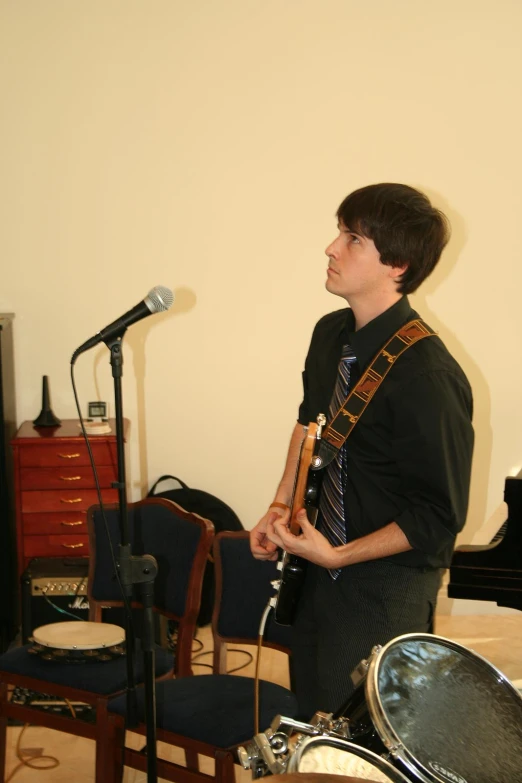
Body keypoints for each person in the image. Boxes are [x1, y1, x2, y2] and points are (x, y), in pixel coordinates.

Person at [250, 183, 474, 720]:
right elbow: (309, 427)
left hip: (384, 586)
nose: (331, 247)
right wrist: (280, 505)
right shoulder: (330, 334)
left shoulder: (429, 375)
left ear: (396, 264)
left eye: (352, 239)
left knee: (363, 739)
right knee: (313, 720)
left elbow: (437, 518)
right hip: (317, 569)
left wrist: (339, 555)